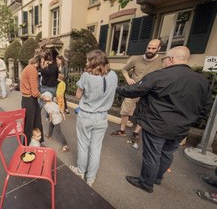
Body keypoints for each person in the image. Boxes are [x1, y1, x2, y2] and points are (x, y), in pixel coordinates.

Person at [116, 46, 212, 193]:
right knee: (167, 153)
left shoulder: (159, 76)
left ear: (171, 59)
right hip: (182, 128)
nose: (164, 62)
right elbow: (206, 107)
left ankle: (146, 183)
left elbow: (134, 90)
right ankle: (157, 178)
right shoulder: (202, 81)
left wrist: (116, 88)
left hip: (157, 124)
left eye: (164, 59)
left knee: (152, 154)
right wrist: (189, 120)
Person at [69, 50, 118, 187]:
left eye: (87, 60)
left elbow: (78, 96)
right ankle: (90, 178)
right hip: (102, 116)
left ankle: (80, 171)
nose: (86, 62)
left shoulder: (86, 76)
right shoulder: (113, 75)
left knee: (84, 145)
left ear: (93, 61)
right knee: (96, 148)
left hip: (86, 115)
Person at [111, 39, 163, 150]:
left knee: (144, 113)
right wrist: (128, 78)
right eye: (149, 47)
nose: (150, 50)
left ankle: (136, 132)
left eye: (153, 48)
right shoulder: (136, 58)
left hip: (149, 92)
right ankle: (122, 130)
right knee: (126, 110)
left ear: (159, 48)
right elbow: (124, 69)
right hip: (133, 90)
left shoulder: (162, 61)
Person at [20, 53, 46, 145]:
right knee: (30, 124)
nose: (43, 64)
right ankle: (26, 146)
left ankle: (35, 142)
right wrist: (43, 97)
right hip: (29, 100)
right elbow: (35, 92)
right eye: (42, 62)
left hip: (27, 99)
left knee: (36, 121)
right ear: (38, 62)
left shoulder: (28, 67)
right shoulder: (32, 71)